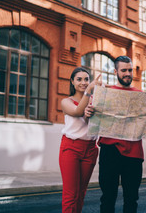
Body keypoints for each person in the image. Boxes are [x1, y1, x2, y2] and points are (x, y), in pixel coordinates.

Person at [85, 55, 146, 213]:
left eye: (129, 70)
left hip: (134, 154)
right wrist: (88, 113)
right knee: (108, 197)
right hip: (109, 151)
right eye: (124, 70)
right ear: (115, 71)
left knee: (131, 199)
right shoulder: (105, 94)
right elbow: (94, 122)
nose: (128, 73)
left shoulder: (141, 95)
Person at [59, 67, 101, 213]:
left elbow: (95, 125)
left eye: (86, 79)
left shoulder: (95, 102)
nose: (83, 82)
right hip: (71, 148)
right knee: (71, 194)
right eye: (79, 79)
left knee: (81, 193)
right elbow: (77, 112)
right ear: (72, 82)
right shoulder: (66, 102)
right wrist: (89, 91)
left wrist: (91, 115)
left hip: (90, 148)